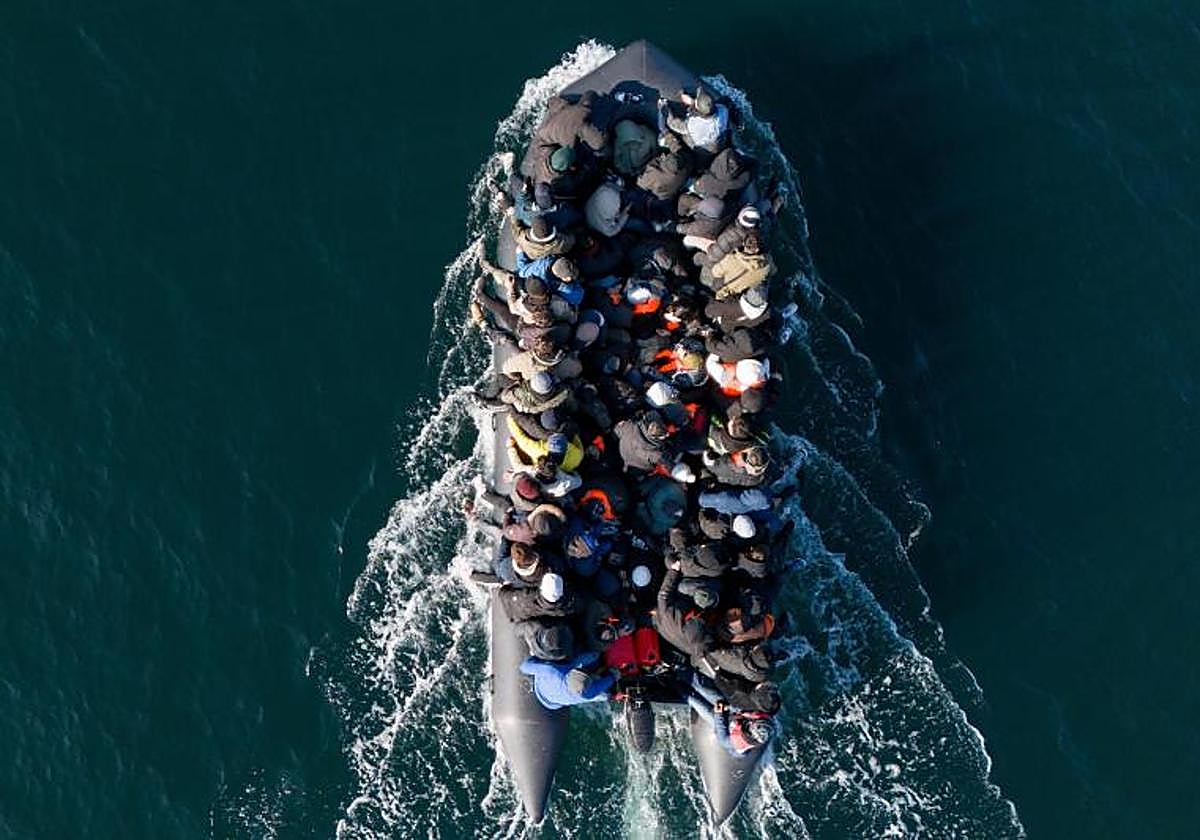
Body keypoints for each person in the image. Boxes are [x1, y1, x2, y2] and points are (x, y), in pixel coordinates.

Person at [686, 673, 776, 756]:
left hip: (727, 727)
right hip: (737, 717)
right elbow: (745, 712)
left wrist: (719, 714)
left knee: (696, 702)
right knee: (712, 694)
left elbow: (722, 732)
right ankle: (686, 673)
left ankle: (682, 690)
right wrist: (728, 707)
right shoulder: (764, 720)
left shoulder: (733, 742)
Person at [654, 561, 714, 660]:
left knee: (684, 586)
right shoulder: (700, 641)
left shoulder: (668, 614)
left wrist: (674, 571)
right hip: (697, 608)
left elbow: (663, 594)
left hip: (682, 603)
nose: (699, 617)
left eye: (697, 618)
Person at [519, 650, 617, 711]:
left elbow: (524, 667)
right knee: (604, 695)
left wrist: (537, 657)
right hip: (549, 700)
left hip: (551, 699)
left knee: (605, 695)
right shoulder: (586, 693)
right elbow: (607, 680)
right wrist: (614, 674)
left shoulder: (551, 671)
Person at [703, 233, 776, 299]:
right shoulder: (767, 265)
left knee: (703, 267)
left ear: (744, 243)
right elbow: (774, 271)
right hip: (737, 295)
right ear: (758, 249)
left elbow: (715, 272)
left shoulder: (731, 259)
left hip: (724, 291)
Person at [498, 571, 581, 622]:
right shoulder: (563, 609)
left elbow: (503, 595)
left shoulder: (528, 597)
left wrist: (504, 588)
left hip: (516, 612)